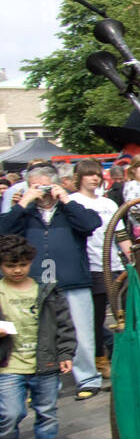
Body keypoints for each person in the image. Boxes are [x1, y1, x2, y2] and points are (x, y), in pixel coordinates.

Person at [0, 165, 103, 401]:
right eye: (35, 186)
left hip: (72, 280)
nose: (41, 192)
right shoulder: (24, 213)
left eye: (45, 185)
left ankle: (87, 378)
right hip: (36, 284)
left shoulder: (69, 210)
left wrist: (65, 199)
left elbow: (90, 224)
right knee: (39, 333)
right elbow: (3, 230)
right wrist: (23, 203)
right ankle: (43, 383)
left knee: (81, 332)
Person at [0, 234, 76, 439]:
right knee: (11, 413)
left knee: (47, 411)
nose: (17, 270)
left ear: (30, 262)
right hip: (9, 364)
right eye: (11, 265)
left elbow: (64, 324)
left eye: (22, 264)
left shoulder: (47, 290)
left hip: (45, 361)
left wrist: (65, 352)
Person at [67, 160, 130, 385]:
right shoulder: (72, 202)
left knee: (124, 311)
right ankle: (100, 359)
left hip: (114, 265)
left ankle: (119, 356)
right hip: (90, 266)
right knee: (95, 317)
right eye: (89, 175)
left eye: (97, 174)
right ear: (79, 177)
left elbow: (120, 234)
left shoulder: (109, 203)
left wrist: (130, 256)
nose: (94, 178)